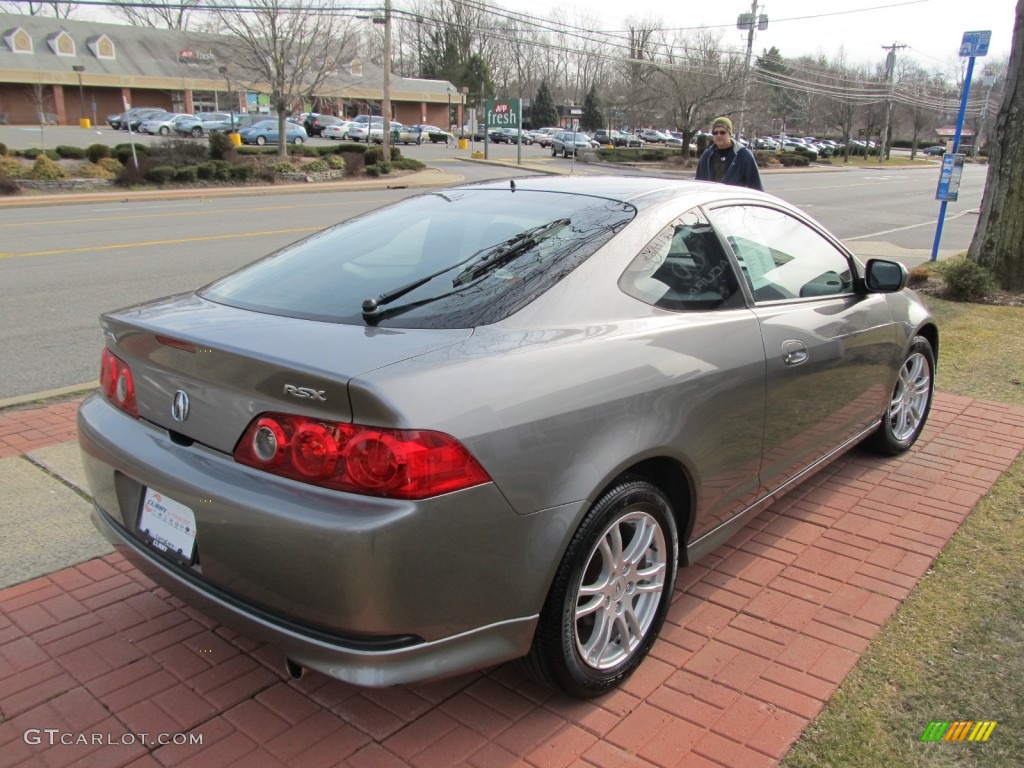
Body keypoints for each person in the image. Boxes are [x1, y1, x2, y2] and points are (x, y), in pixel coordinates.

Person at [695, 117, 764, 191]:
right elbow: (698, 185)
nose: (718, 135)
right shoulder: (706, 156)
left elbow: (756, 188)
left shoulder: (744, 155)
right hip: (712, 201)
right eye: (715, 133)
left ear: (730, 134)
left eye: (722, 132)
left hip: (733, 201)